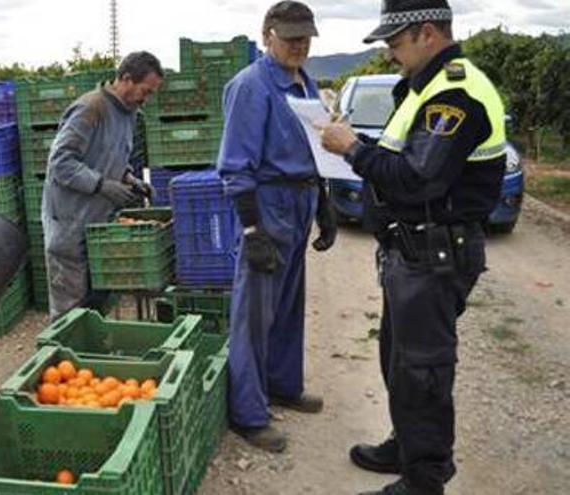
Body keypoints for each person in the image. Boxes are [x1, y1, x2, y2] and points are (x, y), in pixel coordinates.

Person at [321, 1, 507, 493]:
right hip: (414, 252)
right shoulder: (426, 88)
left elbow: (417, 180)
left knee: (423, 369)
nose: (389, 54)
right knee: (399, 360)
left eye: (395, 43)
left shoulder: (454, 95)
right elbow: (403, 152)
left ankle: (424, 478)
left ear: (427, 33)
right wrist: (361, 143)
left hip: (435, 253)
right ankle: (406, 444)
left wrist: (352, 150)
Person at [217, 0, 337, 454]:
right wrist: (251, 229)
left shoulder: (306, 81)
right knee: (253, 314)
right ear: (267, 35)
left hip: (300, 197)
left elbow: (315, 147)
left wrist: (324, 204)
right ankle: (248, 414)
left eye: (304, 36)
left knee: (288, 302)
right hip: (265, 203)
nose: (298, 44)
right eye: (289, 37)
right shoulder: (251, 86)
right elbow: (234, 166)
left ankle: (283, 383)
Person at [42, 52, 163, 320]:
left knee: (96, 306)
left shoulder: (129, 114)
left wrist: (130, 179)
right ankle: (62, 356)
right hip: (70, 224)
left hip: (98, 226)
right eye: (146, 91)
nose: (147, 99)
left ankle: (91, 359)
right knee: (70, 311)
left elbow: (112, 158)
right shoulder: (91, 108)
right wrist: (100, 185)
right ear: (127, 79)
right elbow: (60, 163)